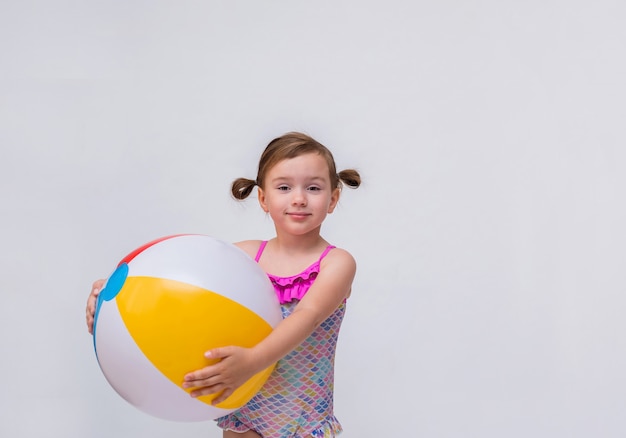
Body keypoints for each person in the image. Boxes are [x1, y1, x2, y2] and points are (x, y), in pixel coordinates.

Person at [85, 132, 361, 438]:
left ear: (333, 198)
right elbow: (177, 281)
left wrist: (252, 362)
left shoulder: (336, 263)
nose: (298, 198)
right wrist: (109, 294)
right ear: (263, 199)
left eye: (313, 187)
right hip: (245, 409)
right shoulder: (244, 257)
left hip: (303, 419)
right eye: (284, 187)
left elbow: (307, 316)